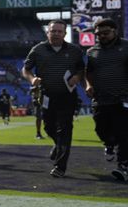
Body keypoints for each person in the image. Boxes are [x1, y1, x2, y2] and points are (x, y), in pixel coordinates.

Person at [84, 18, 128, 181]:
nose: (101, 36)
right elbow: (89, 73)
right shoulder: (92, 52)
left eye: (105, 33)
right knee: (100, 130)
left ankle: (122, 166)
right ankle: (109, 144)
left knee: (123, 133)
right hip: (100, 99)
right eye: (98, 34)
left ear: (115, 31)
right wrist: (88, 85)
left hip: (124, 98)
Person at [22, 20, 85, 178]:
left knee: (65, 130)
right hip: (46, 95)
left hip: (67, 96)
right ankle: (58, 145)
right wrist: (32, 79)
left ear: (65, 33)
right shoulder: (38, 50)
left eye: (59, 31)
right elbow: (26, 69)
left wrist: (77, 77)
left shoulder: (75, 50)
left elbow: (81, 69)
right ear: (47, 32)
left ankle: (60, 166)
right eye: (53, 31)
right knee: (48, 127)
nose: (56, 34)